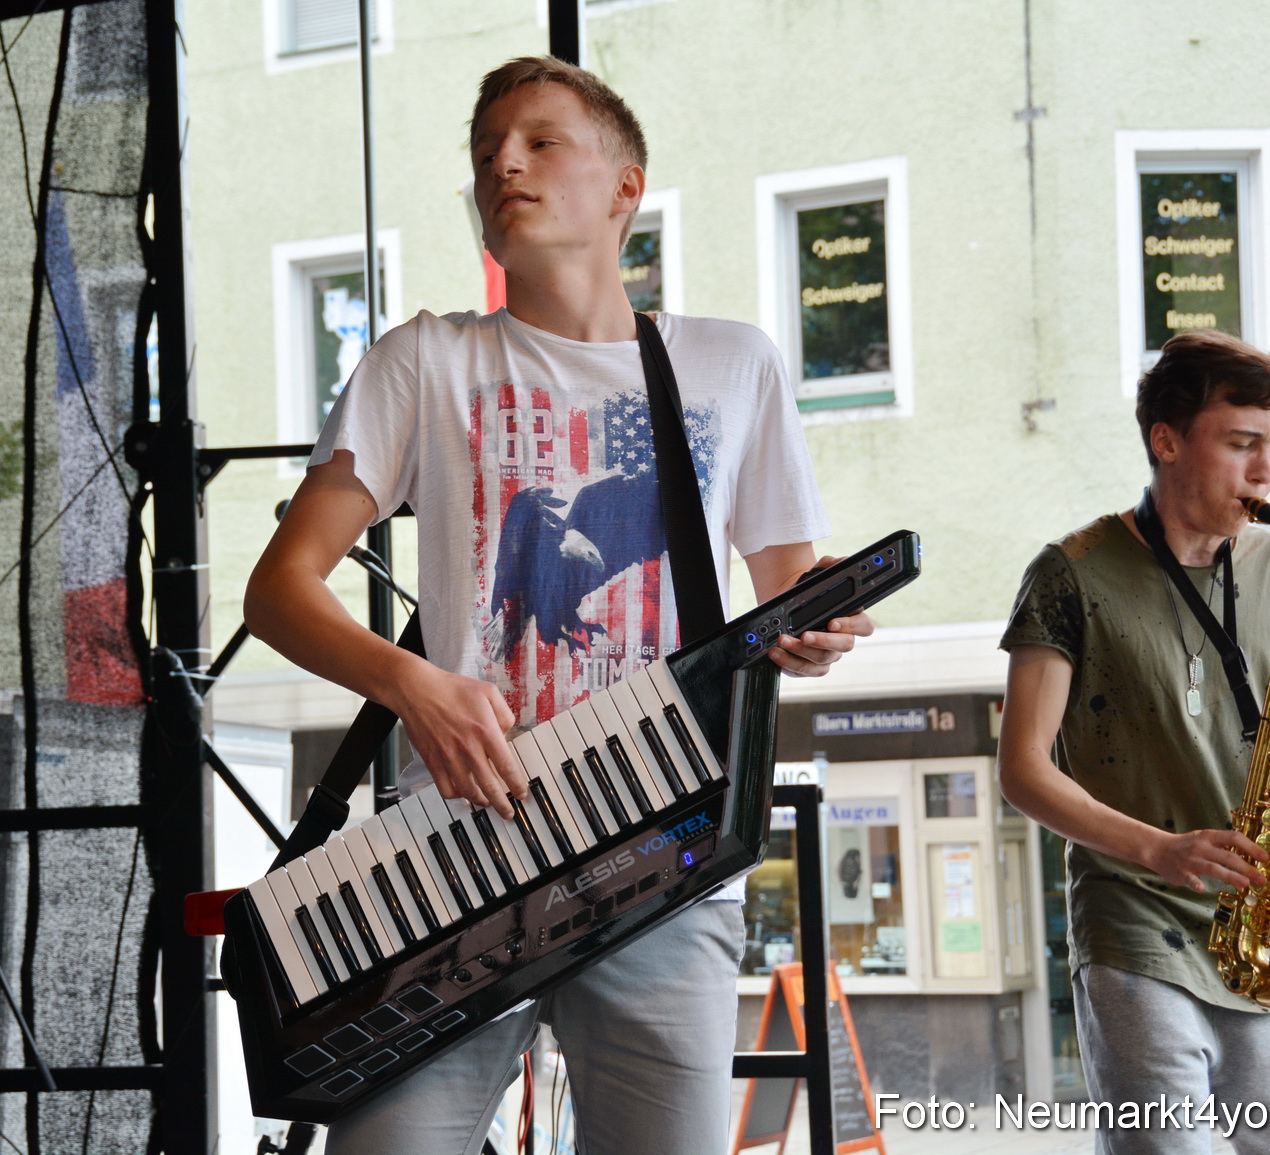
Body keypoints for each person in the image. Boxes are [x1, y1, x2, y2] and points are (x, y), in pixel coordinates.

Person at [244, 56, 868, 1155]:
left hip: (661, 846)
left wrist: (811, 633)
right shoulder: (424, 361)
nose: (503, 165)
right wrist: (411, 684)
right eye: (486, 153)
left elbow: (783, 596)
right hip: (447, 851)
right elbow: (278, 590)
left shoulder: (729, 364)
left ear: (625, 187)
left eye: (539, 141)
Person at [997, 330, 1270, 1154]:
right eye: (1242, 444)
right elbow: (1022, 771)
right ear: (1167, 441)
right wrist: (1161, 849)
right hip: (1141, 929)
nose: (1266, 472)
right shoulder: (1071, 572)